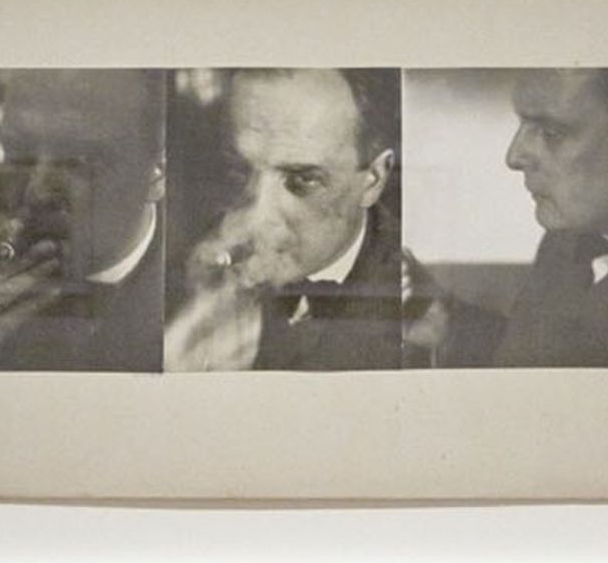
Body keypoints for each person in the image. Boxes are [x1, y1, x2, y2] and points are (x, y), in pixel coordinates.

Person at [164, 68, 434, 372]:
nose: (257, 218)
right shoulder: (177, 278)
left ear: (373, 179)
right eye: (238, 169)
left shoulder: (433, 322)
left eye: (303, 179)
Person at [0, 67, 168, 373]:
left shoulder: (197, 297)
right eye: (17, 153)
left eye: (78, 162)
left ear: (157, 171)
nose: (35, 191)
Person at [486, 67, 608, 369]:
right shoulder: (561, 243)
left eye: (552, 132)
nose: (513, 157)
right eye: (523, 125)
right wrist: (447, 323)